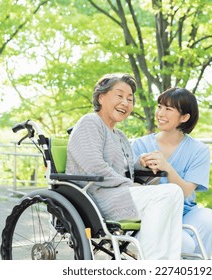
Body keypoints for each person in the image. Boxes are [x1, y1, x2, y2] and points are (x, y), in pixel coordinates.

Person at [65, 73, 184, 260]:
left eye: (130, 99)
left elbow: (124, 169)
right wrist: (129, 185)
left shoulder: (119, 135)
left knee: (174, 192)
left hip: (118, 195)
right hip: (96, 198)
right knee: (168, 193)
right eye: (119, 96)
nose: (125, 103)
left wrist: (140, 163)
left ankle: (168, 264)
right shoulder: (90, 122)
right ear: (101, 97)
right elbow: (93, 167)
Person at [132, 87, 212, 259]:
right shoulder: (140, 146)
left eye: (168, 109)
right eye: (159, 107)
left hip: (185, 212)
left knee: (210, 220)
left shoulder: (198, 150)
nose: (160, 113)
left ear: (184, 117)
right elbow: (131, 185)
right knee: (185, 242)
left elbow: (187, 192)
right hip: (152, 214)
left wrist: (167, 167)